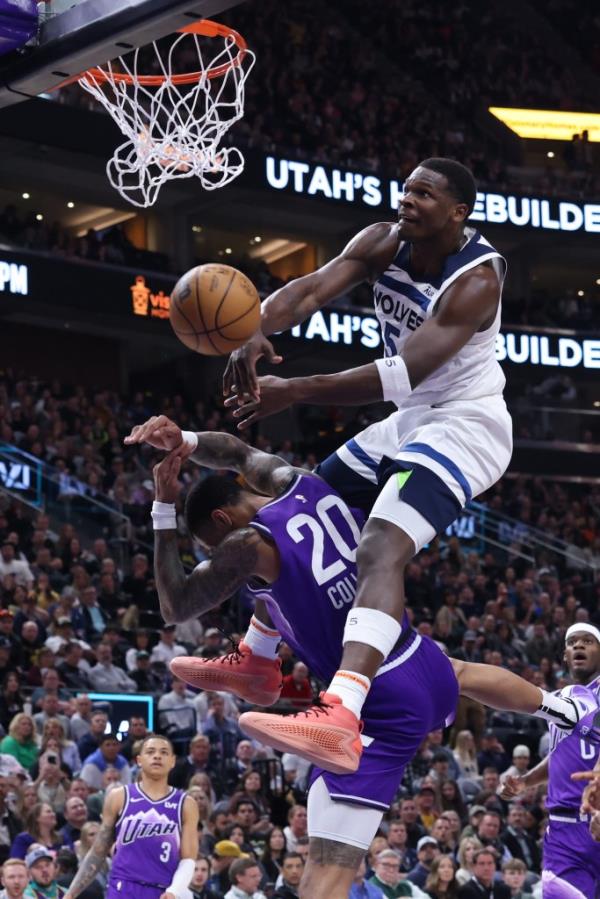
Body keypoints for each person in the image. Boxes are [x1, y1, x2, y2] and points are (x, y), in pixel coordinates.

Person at [123, 424, 576, 899]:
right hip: (415, 655)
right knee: (459, 672)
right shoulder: (294, 478)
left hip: (376, 703)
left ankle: (255, 662)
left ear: (222, 520)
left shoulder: (246, 546)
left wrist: (162, 506)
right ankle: (556, 706)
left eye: (209, 546)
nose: (212, 555)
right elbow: (235, 450)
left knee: (328, 869)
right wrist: (187, 441)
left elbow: (174, 606)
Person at [219, 157, 514, 772]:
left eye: (425, 194)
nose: (409, 200)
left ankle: (343, 713)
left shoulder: (478, 279)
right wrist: (253, 327)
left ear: (458, 212)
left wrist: (293, 389)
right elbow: (310, 289)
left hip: (466, 422)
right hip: (410, 419)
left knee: (380, 547)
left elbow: (402, 373)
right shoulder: (383, 239)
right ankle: (257, 656)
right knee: (300, 511)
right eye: (406, 189)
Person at [500, 623, 600, 897]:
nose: (579, 645)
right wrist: (526, 781)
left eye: (588, 641)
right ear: (565, 656)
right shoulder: (561, 701)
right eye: (573, 642)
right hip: (563, 829)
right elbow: (561, 756)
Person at [63, 734, 199, 899]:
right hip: (123, 888)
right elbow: (98, 851)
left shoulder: (186, 804)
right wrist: (71, 893)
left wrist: (174, 891)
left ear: (172, 761)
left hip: (163, 889)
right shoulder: (119, 797)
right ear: (139, 760)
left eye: (163, 752)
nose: (157, 756)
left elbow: (188, 859)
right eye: (150, 751)